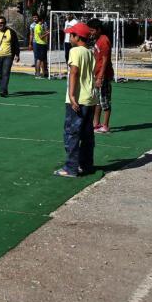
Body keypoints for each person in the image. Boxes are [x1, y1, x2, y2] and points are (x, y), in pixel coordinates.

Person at [55, 21, 97, 178]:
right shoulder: (89, 52)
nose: (69, 36)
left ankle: (71, 167)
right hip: (90, 99)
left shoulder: (75, 51)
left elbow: (74, 72)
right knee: (87, 135)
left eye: (71, 34)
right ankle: (86, 164)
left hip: (78, 98)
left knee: (72, 133)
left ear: (77, 37)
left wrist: (72, 96)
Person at [89, 19, 115, 134]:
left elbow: (105, 60)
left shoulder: (104, 40)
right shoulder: (97, 40)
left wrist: (100, 77)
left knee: (104, 101)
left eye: (93, 30)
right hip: (97, 74)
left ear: (99, 29)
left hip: (103, 75)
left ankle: (105, 126)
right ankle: (96, 124)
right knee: (98, 100)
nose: (91, 32)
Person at [0, 15, 20, 97]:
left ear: (5, 24)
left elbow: (16, 44)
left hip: (8, 56)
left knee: (5, 73)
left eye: (1, 23)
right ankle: (4, 89)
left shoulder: (11, 32)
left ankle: (2, 90)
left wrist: (17, 54)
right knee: (0, 74)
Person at [32, 13, 49, 78]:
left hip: (43, 44)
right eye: (43, 20)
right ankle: (38, 73)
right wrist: (47, 34)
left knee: (42, 59)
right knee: (39, 59)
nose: (43, 22)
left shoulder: (40, 26)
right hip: (40, 44)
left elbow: (42, 34)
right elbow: (40, 36)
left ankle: (43, 73)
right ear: (41, 20)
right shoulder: (38, 26)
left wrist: (45, 32)